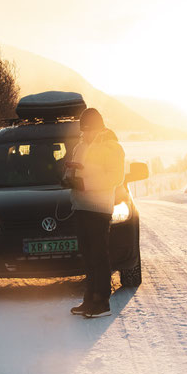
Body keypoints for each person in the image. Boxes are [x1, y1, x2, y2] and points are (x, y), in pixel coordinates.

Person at [63, 108, 125, 318]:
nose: (86, 134)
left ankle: (102, 302)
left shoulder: (112, 147)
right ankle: (89, 299)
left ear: (98, 128)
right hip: (81, 206)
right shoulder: (80, 146)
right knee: (87, 255)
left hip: (99, 208)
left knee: (99, 255)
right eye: (84, 130)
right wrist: (68, 176)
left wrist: (85, 183)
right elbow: (74, 171)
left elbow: (116, 177)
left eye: (89, 129)